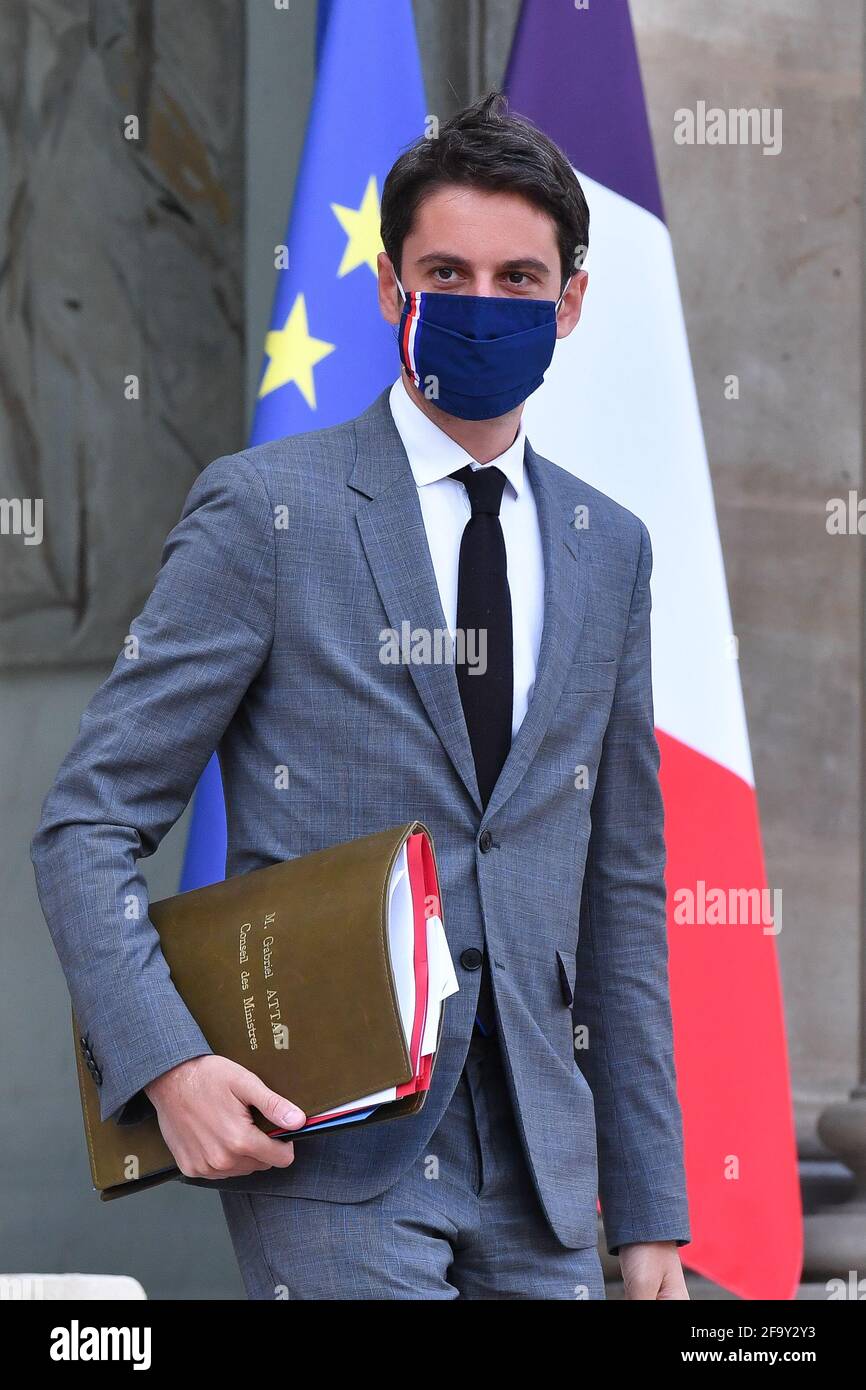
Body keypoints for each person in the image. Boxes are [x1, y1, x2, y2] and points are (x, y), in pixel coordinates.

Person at [31, 92, 690, 1300]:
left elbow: (621, 892)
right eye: (447, 270)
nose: (482, 305)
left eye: (517, 278)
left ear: (572, 302)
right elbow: (87, 824)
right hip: (334, 1153)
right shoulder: (264, 514)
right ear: (391, 288)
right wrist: (168, 1065)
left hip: (547, 1174)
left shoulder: (612, 548)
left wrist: (648, 1208)